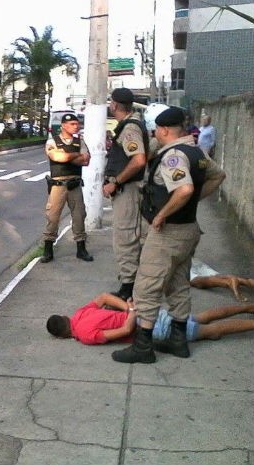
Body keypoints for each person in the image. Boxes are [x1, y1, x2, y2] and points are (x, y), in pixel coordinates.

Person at [112, 106, 226, 364]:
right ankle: (178, 341)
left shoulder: (173, 156)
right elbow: (218, 176)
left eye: (156, 131)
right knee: (177, 284)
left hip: (168, 232)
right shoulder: (196, 151)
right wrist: (191, 201)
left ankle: (143, 347)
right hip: (188, 230)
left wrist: (163, 213)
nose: (155, 135)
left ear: (163, 130)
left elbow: (184, 189)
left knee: (146, 287)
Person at [46, 293, 254, 346]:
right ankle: (247, 306)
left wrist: (132, 310)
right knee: (201, 316)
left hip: (150, 327)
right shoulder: (80, 313)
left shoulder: (85, 335)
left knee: (212, 331)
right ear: (66, 317)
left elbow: (126, 331)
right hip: (153, 314)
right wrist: (127, 305)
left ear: (62, 336)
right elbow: (103, 297)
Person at [102, 88, 149, 301]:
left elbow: (138, 160)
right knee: (128, 236)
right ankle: (131, 283)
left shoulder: (130, 128)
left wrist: (116, 182)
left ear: (114, 105)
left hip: (129, 191)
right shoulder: (131, 126)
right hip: (129, 190)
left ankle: (128, 288)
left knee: (125, 237)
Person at [40, 113, 93, 263]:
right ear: (63, 125)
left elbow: (86, 160)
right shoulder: (53, 141)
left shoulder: (80, 140)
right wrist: (75, 155)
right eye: (72, 124)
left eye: (77, 124)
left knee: (79, 216)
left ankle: (81, 249)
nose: (76, 126)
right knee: (52, 218)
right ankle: (48, 250)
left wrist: (67, 156)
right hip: (58, 185)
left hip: (75, 184)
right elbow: (56, 158)